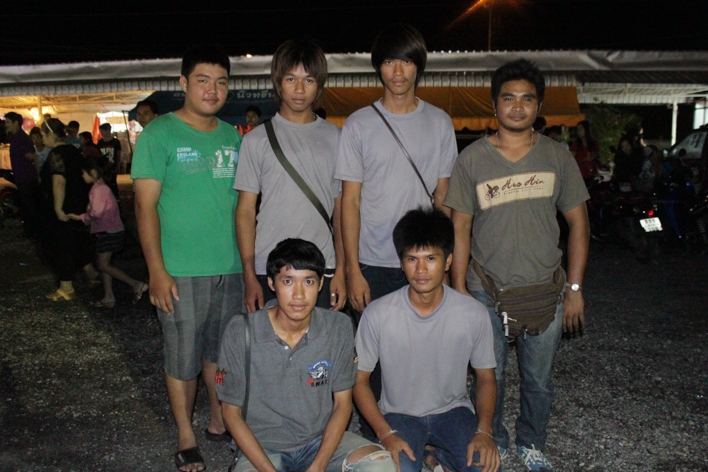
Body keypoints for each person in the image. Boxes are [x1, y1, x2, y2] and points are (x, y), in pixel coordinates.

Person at [445, 59, 590, 471]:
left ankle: (532, 441)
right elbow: (460, 227)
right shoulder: (472, 159)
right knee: (491, 374)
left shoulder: (557, 156)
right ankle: (495, 438)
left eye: (527, 98)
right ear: (495, 105)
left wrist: (574, 289)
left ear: (538, 105)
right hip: (485, 290)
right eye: (508, 98)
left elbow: (579, 224)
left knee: (539, 380)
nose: (517, 106)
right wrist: (459, 289)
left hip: (546, 289)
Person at [131, 45, 244, 472]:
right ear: (183, 83)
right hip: (179, 271)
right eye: (202, 80)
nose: (212, 90)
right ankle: (185, 434)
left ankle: (219, 419)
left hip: (230, 267)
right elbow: (144, 207)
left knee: (219, 353)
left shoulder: (232, 137)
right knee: (182, 358)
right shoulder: (159, 134)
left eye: (221, 82)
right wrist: (157, 271)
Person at [216, 238, 396, 472]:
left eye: (308, 281)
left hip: (320, 441)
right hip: (263, 447)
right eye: (288, 281)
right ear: (271, 283)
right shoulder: (241, 331)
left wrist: (318, 465)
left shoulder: (338, 327)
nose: (299, 294)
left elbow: (342, 404)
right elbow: (230, 413)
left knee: (380, 465)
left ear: (320, 284)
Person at [353, 208, 500, 472]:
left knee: (484, 466)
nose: (421, 269)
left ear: (448, 261)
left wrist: (484, 431)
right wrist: (385, 433)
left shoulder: (472, 313)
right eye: (412, 259)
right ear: (401, 263)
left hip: (453, 411)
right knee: (396, 469)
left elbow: (486, 378)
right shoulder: (378, 313)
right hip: (399, 415)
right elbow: (359, 380)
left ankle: (438, 455)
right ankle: (430, 453)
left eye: (431, 258)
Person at [335, 23, 457, 315]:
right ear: (379, 67)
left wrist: (444, 262)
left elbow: (443, 198)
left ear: (419, 66)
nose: (398, 71)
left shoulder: (439, 122)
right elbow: (350, 202)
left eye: (407, 61)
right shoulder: (358, 124)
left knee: (425, 341)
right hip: (371, 262)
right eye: (389, 61)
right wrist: (353, 269)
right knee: (374, 343)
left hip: (423, 259)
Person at [234, 39, 345, 313]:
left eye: (309, 80)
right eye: (291, 79)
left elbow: (342, 211)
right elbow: (245, 211)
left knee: (320, 339)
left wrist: (343, 269)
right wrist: (249, 274)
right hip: (269, 268)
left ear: (319, 84)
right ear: (278, 82)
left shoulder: (336, 137)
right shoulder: (256, 140)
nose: (299, 89)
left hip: (322, 266)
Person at [67, 155, 148, 308]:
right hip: (109, 230)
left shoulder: (98, 189)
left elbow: (96, 212)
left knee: (103, 265)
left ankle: (136, 284)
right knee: (104, 263)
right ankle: (108, 296)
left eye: (83, 172)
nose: (82, 176)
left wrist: (82, 217)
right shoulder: (102, 187)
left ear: (92, 172)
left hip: (108, 232)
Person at [39, 118, 98, 301]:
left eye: (43, 135)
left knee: (62, 245)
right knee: (77, 240)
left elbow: (59, 182)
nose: (42, 139)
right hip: (77, 202)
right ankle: (92, 274)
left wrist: (58, 208)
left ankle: (66, 286)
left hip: (64, 205)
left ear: (51, 135)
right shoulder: (73, 150)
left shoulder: (56, 153)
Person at [5, 112, 40, 238]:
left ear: (15, 123)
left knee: (29, 205)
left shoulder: (21, 138)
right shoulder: (18, 137)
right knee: (28, 205)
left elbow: (30, 156)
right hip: (23, 176)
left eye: (8, 122)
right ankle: (31, 231)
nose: (6, 125)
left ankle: (32, 232)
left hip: (26, 177)